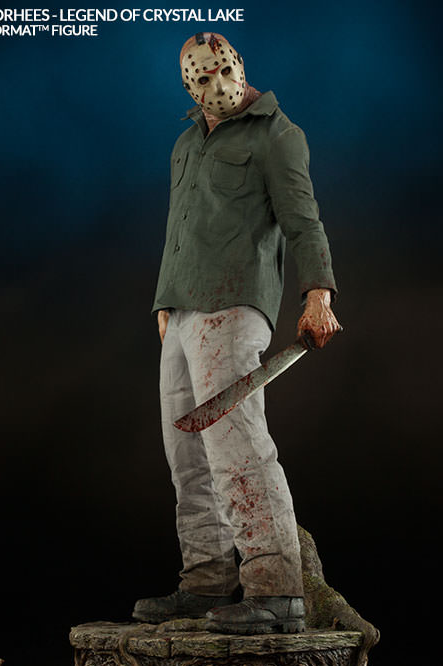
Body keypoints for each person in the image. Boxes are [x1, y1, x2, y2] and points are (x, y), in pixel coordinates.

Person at [133, 32, 341, 634]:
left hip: (232, 307)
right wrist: (163, 302)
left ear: (240, 63)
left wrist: (318, 294)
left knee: (237, 446)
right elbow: (179, 227)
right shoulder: (185, 144)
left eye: (225, 69)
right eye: (203, 78)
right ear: (187, 86)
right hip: (181, 313)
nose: (219, 84)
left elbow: (304, 220)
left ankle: (277, 590)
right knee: (187, 457)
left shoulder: (277, 134)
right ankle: (205, 582)